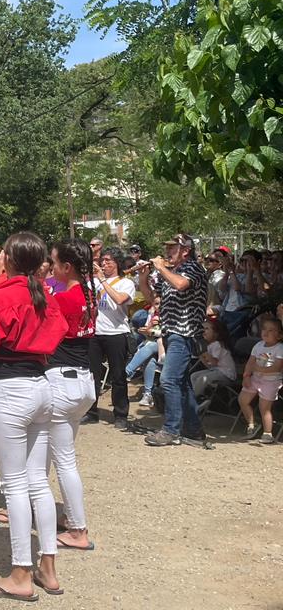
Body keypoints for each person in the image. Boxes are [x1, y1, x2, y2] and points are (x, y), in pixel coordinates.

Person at [0, 232, 68, 601]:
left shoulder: (3, 295)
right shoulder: (44, 293)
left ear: (7, 258)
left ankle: (21, 573)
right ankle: (49, 569)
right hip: (42, 385)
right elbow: (60, 331)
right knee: (38, 482)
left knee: (14, 485)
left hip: (12, 387)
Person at [47, 239, 98, 551]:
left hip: (62, 381)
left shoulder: (64, 299)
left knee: (64, 461)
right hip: (83, 382)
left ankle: (77, 528)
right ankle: (70, 519)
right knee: (63, 457)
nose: (51, 268)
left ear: (67, 267)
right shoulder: (89, 295)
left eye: (54, 263)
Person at [137, 234, 209, 447]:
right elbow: (153, 298)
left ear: (185, 250)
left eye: (172, 248)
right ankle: (194, 431)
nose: (167, 252)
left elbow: (180, 285)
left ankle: (171, 430)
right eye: (166, 248)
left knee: (168, 380)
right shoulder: (171, 272)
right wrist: (143, 277)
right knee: (182, 383)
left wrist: (160, 268)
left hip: (184, 333)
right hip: (170, 332)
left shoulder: (194, 268)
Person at [86, 247, 135, 428]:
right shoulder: (97, 282)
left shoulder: (125, 282)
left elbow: (120, 299)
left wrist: (104, 281)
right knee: (93, 374)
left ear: (117, 263)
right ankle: (91, 411)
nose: (104, 264)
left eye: (108, 260)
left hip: (116, 333)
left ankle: (121, 414)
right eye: (102, 261)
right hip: (96, 333)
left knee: (118, 375)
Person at [238, 316, 283, 443]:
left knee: (264, 407)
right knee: (243, 399)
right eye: (264, 329)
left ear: (279, 335)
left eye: (271, 330)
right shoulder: (258, 345)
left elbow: (277, 367)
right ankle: (252, 424)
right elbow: (250, 362)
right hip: (255, 378)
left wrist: (259, 369)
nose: (266, 332)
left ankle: (267, 433)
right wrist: (246, 375)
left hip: (271, 381)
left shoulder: (279, 348)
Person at [191, 318, 236, 401]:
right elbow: (209, 366)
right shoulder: (209, 345)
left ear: (216, 333)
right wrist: (200, 354)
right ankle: (200, 396)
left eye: (206, 329)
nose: (203, 331)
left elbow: (214, 362)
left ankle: (193, 399)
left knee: (203, 378)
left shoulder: (217, 344)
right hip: (216, 371)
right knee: (194, 376)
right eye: (202, 329)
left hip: (226, 374)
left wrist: (204, 351)